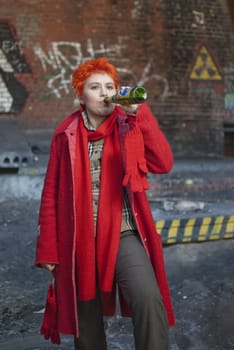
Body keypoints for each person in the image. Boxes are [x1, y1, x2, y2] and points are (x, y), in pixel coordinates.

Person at [35, 57, 175, 350]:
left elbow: (163, 162)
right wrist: (48, 247)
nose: (103, 93)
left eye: (109, 86)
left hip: (122, 232)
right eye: (95, 87)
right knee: (86, 320)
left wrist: (140, 115)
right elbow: (51, 192)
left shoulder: (128, 125)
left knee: (148, 299)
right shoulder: (66, 134)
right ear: (81, 96)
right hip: (78, 238)